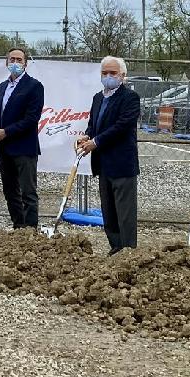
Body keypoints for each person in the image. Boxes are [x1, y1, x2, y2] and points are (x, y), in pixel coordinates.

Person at [78, 56, 140, 253]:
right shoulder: (98, 98)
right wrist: (87, 136)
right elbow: (93, 124)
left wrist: (95, 142)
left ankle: (128, 250)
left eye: (113, 73)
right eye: (104, 73)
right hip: (103, 163)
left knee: (125, 212)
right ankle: (115, 246)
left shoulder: (130, 98)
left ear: (122, 75)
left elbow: (121, 126)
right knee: (108, 210)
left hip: (121, 163)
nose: (108, 76)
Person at [0, 47, 45, 228]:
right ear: (6, 62)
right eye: (12, 59)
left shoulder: (34, 86)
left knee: (28, 193)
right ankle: (19, 228)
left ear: (26, 63)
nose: (15, 63)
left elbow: (31, 118)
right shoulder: (2, 87)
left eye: (19, 60)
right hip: (5, 149)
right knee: (10, 192)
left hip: (24, 148)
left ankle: (31, 232)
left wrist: (5, 132)